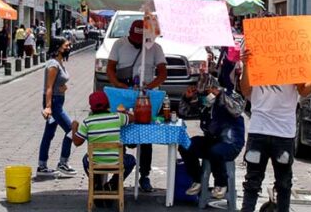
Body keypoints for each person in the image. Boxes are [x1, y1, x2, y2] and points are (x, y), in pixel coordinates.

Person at [232, 47, 311, 212]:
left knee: (284, 184)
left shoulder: (292, 61)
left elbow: (303, 90)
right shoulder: (256, 60)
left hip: (283, 133)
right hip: (259, 130)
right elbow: (246, 90)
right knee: (252, 182)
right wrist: (248, 65)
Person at [106, 19, 167, 193]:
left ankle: (145, 175)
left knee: (145, 138)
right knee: (121, 132)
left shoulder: (155, 48)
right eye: (134, 38)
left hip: (145, 93)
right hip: (123, 91)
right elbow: (110, 69)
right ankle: (118, 174)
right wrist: (117, 84)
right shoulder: (119, 44)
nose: (136, 42)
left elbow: (163, 72)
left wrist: (151, 85)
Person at [179, 65, 245, 200]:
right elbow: (184, 112)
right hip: (211, 140)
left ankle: (221, 184)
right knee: (185, 145)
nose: (204, 96)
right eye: (201, 93)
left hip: (230, 142)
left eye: (206, 92)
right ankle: (197, 179)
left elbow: (237, 110)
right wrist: (186, 98)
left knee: (216, 152)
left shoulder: (230, 95)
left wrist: (220, 95)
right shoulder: (203, 102)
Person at [71, 91, 137, 190]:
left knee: (86, 159)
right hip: (116, 162)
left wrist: (74, 127)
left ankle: (96, 183)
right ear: (108, 105)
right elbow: (133, 118)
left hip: (95, 163)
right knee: (131, 160)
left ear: (91, 108)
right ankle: (113, 184)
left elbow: (77, 142)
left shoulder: (87, 122)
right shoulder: (117, 117)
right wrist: (125, 113)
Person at [38, 37, 76, 176]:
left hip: (57, 101)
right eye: (66, 45)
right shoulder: (53, 64)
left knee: (49, 134)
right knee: (72, 130)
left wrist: (62, 86)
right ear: (58, 47)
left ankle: (42, 166)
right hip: (54, 103)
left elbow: (55, 84)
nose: (69, 47)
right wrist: (48, 107)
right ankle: (63, 163)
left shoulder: (59, 62)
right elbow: (48, 87)